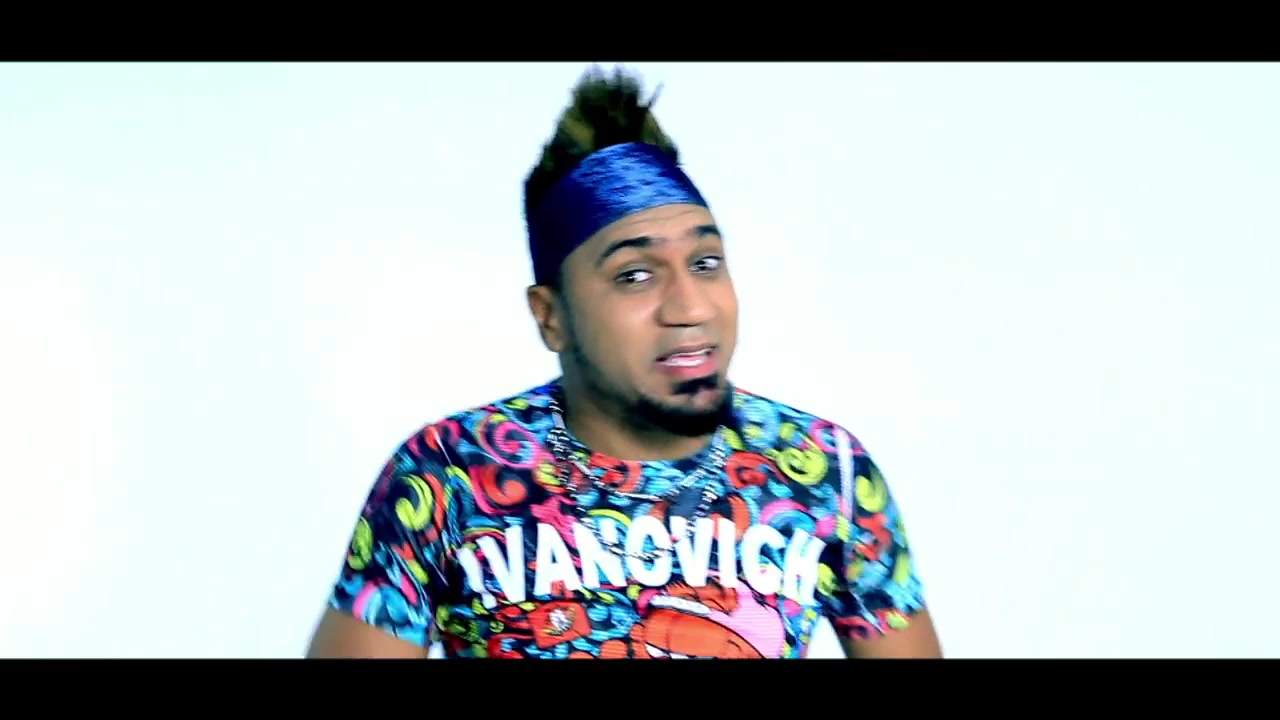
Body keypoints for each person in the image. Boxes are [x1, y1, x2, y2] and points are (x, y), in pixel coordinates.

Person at [306, 66, 942, 659]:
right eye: (635, 275)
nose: (691, 307)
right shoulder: (448, 473)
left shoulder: (823, 469)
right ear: (551, 316)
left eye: (705, 263)